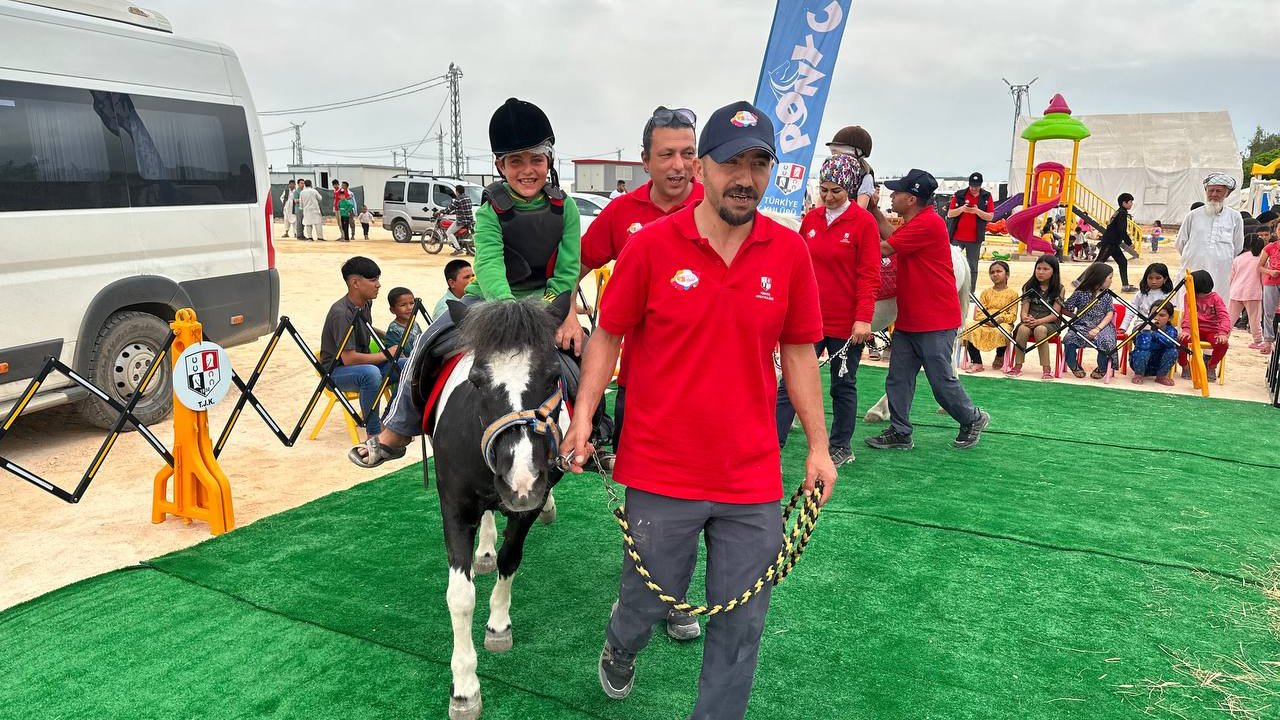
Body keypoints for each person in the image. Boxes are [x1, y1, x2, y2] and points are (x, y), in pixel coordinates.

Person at [558, 100, 835, 720]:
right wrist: (582, 418)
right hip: (659, 469)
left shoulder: (789, 254)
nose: (745, 176)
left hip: (751, 476)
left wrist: (817, 446)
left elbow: (797, 353)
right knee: (647, 600)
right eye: (730, 161)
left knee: (740, 629)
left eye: (758, 162)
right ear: (702, 170)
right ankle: (620, 645)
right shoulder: (652, 246)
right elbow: (609, 335)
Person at [348, 97, 586, 468]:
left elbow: (568, 268)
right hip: (490, 302)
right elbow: (489, 263)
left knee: (584, 354)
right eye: (516, 161)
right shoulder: (490, 208)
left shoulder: (566, 208)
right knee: (427, 342)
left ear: (549, 160)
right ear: (500, 165)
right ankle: (397, 428)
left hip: (543, 303)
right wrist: (509, 311)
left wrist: (548, 307)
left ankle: (593, 430)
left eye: (536, 159)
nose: (528, 170)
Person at [580, 105, 703, 467]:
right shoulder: (621, 213)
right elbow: (578, 265)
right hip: (640, 383)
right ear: (645, 161)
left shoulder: (716, 209)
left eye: (688, 154)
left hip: (707, 384)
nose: (679, 165)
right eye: (666, 154)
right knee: (640, 494)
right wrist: (566, 316)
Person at [864, 168, 991, 450]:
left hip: (933, 319)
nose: (893, 195)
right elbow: (892, 237)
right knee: (898, 377)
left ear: (911, 199)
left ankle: (972, 418)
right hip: (911, 317)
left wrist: (846, 242)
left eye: (897, 192)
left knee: (940, 380)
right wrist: (874, 211)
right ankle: (899, 430)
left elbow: (885, 248)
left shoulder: (927, 224)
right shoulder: (919, 221)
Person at [775, 154, 879, 467]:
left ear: (849, 188)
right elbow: (798, 268)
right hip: (808, 319)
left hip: (845, 324)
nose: (829, 196)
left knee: (842, 384)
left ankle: (841, 445)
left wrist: (863, 319)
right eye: (824, 189)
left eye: (837, 190)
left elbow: (869, 275)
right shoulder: (811, 219)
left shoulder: (863, 223)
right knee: (790, 381)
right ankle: (772, 442)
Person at [320, 257, 403, 439]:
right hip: (336, 372)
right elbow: (349, 359)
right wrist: (386, 354)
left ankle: (390, 419)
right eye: (373, 280)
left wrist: (392, 336)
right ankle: (373, 434)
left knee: (407, 364)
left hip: (362, 366)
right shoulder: (341, 313)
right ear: (355, 283)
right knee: (371, 374)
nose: (378, 285)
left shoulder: (366, 303)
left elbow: (365, 327)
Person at [1176, 174, 1245, 304]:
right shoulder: (1193, 215)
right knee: (1189, 301)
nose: (1214, 194)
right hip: (1194, 267)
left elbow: (1237, 246)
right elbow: (1180, 243)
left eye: (1218, 191)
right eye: (1210, 190)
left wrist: (1218, 257)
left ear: (1227, 193)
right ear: (1206, 191)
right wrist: (1197, 255)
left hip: (1221, 271)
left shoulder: (1235, 217)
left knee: (1218, 301)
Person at [1008, 254, 1064, 379]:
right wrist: (1025, 318)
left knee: (1040, 330)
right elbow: (1024, 310)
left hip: (1049, 324)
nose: (1041, 272)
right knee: (1022, 328)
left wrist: (1038, 322)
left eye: (1045, 269)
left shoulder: (1059, 289)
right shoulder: (1029, 286)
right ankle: (1017, 366)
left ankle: (1046, 369)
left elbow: (1054, 314)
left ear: (1054, 271)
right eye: (1038, 268)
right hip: (1030, 321)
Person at [1060, 262, 1117, 379]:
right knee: (1069, 338)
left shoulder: (1107, 295)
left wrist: (1098, 328)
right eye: (1110, 278)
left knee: (1106, 341)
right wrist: (1076, 317)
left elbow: (1109, 313)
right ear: (1099, 278)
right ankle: (1073, 365)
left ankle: (1102, 367)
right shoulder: (1080, 293)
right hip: (1082, 324)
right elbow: (1065, 309)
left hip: (1103, 326)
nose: (1111, 281)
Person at [964, 260, 1018, 372]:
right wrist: (987, 320)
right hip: (985, 321)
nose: (995, 274)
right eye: (992, 272)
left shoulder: (1013, 294)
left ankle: (999, 355)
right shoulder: (985, 292)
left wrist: (1001, 319)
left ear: (1007, 274)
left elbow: (1013, 315)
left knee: (1003, 330)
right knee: (969, 327)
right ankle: (977, 362)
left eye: (999, 271)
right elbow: (979, 312)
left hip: (1003, 322)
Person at [1179, 269, 1230, 381]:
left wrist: (1222, 333)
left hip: (1212, 331)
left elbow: (1224, 316)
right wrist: (1186, 329)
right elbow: (1187, 314)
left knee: (1223, 344)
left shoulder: (1215, 298)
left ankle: (1211, 366)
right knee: (1180, 341)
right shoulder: (1188, 296)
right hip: (1193, 330)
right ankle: (1184, 365)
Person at [945, 172, 995, 287]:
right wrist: (962, 209)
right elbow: (950, 213)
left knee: (972, 265)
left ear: (981, 185)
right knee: (950, 262)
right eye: (972, 186)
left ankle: (970, 291)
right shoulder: (960, 195)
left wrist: (977, 211)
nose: (974, 189)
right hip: (957, 236)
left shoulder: (986, 196)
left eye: (976, 186)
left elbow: (990, 216)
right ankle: (950, 286)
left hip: (975, 237)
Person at [825, 125, 876, 210]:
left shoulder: (865, 176)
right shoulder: (832, 172)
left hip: (851, 221)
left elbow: (860, 210)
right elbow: (820, 205)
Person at [1229, 234, 1265, 349]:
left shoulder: (1238, 259)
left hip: (1236, 291)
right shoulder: (1261, 260)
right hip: (1253, 293)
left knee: (1230, 318)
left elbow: (1231, 277)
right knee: (1255, 319)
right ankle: (1258, 340)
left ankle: (1223, 337)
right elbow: (1263, 279)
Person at [1129, 304, 1179, 385]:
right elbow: (1142, 346)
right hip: (1139, 364)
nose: (1156, 318)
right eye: (1153, 314)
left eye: (1162, 315)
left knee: (1173, 351)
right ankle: (1138, 375)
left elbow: (1170, 344)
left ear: (1169, 318)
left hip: (1159, 364)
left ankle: (1161, 376)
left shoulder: (1171, 330)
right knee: (1142, 351)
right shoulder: (1143, 327)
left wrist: (1154, 334)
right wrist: (1146, 332)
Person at [1097, 193, 1137, 291]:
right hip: (1109, 243)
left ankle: (1125, 286)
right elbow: (1121, 230)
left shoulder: (1120, 212)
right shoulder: (1122, 213)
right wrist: (1129, 242)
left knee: (1123, 262)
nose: (1132, 204)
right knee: (1098, 263)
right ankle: (1081, 281)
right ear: (1124, 203)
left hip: (1114, 243)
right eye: (1130, 202)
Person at [1124, 263, 1175, 332]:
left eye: (1158, 278)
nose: (1154, 282)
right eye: (1150, 278)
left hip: (1162, 328)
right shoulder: (1140, 294)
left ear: (1165, 279)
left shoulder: (1170, 295)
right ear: (1146, 278)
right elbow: (1130, 311)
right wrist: (1123, 327)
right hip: (1141, 326)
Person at [1257, 230, 1280, 355]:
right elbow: (1259, 266)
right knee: (1269, 312)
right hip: (1271, 282)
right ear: (1276, 231)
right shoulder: (1270, 247)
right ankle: (1268, 341)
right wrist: (1270, 272)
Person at [384, 286, 421, 357]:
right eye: (403, 305)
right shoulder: (393, 329)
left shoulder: (415, 323)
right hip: (404, 363)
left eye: (412, 303)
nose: (409, 308)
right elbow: (396, 353)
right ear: (392, 310)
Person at [444, 184, 475, 255]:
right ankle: (467, 249)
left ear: (457, 192)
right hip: (469, 220)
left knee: (449, 232)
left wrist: (443, 211)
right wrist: (454, 212)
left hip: (462, 221)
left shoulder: (458, 199)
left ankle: (458, 249)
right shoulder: (468, 198)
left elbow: (450, 208)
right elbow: (463, 208)